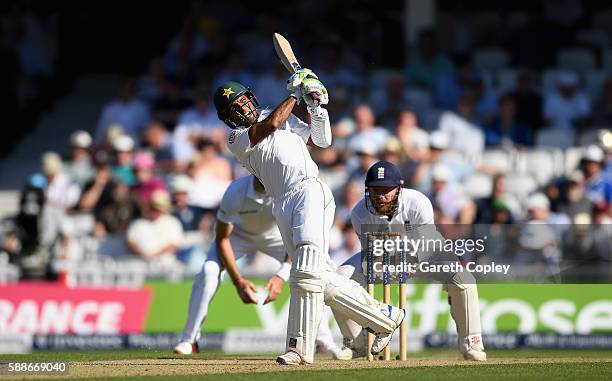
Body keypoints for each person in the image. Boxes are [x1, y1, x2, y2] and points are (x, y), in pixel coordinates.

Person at [215, 74, 405, 365]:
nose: (243, 109)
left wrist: (316, 107)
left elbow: (322, 141)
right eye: (235, 109)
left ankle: (299, 349)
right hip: (281, 203)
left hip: (308, 190)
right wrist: (295, 94)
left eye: (244, 101)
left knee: (305, 272)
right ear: (229, 119)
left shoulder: (280, 114)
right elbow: (270, 126)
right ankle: (384, 316)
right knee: (312, 275)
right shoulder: (236, 138)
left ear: (252, 98)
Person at [173, 176, 349, 359]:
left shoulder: (286, 190)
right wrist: (238, 281)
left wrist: (281, 276)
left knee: (315, 266)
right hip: (238, 237)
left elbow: (298, 237)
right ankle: (189, 340)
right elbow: (222, 239)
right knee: (209, 271)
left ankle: (323, 340)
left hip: (277, 237)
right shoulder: (236, 191)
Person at [339, 161, 487, 361]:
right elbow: (371, 254)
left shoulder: (418, 202)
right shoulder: (358, 213)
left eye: (386, 190)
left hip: (427, 253)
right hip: (384, 256)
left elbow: (424, 247)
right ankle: (358, 345)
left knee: (464, 278)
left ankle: (472, 343)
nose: (380, 196)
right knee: (341, 278)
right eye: (374, 190)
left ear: (399, 188)